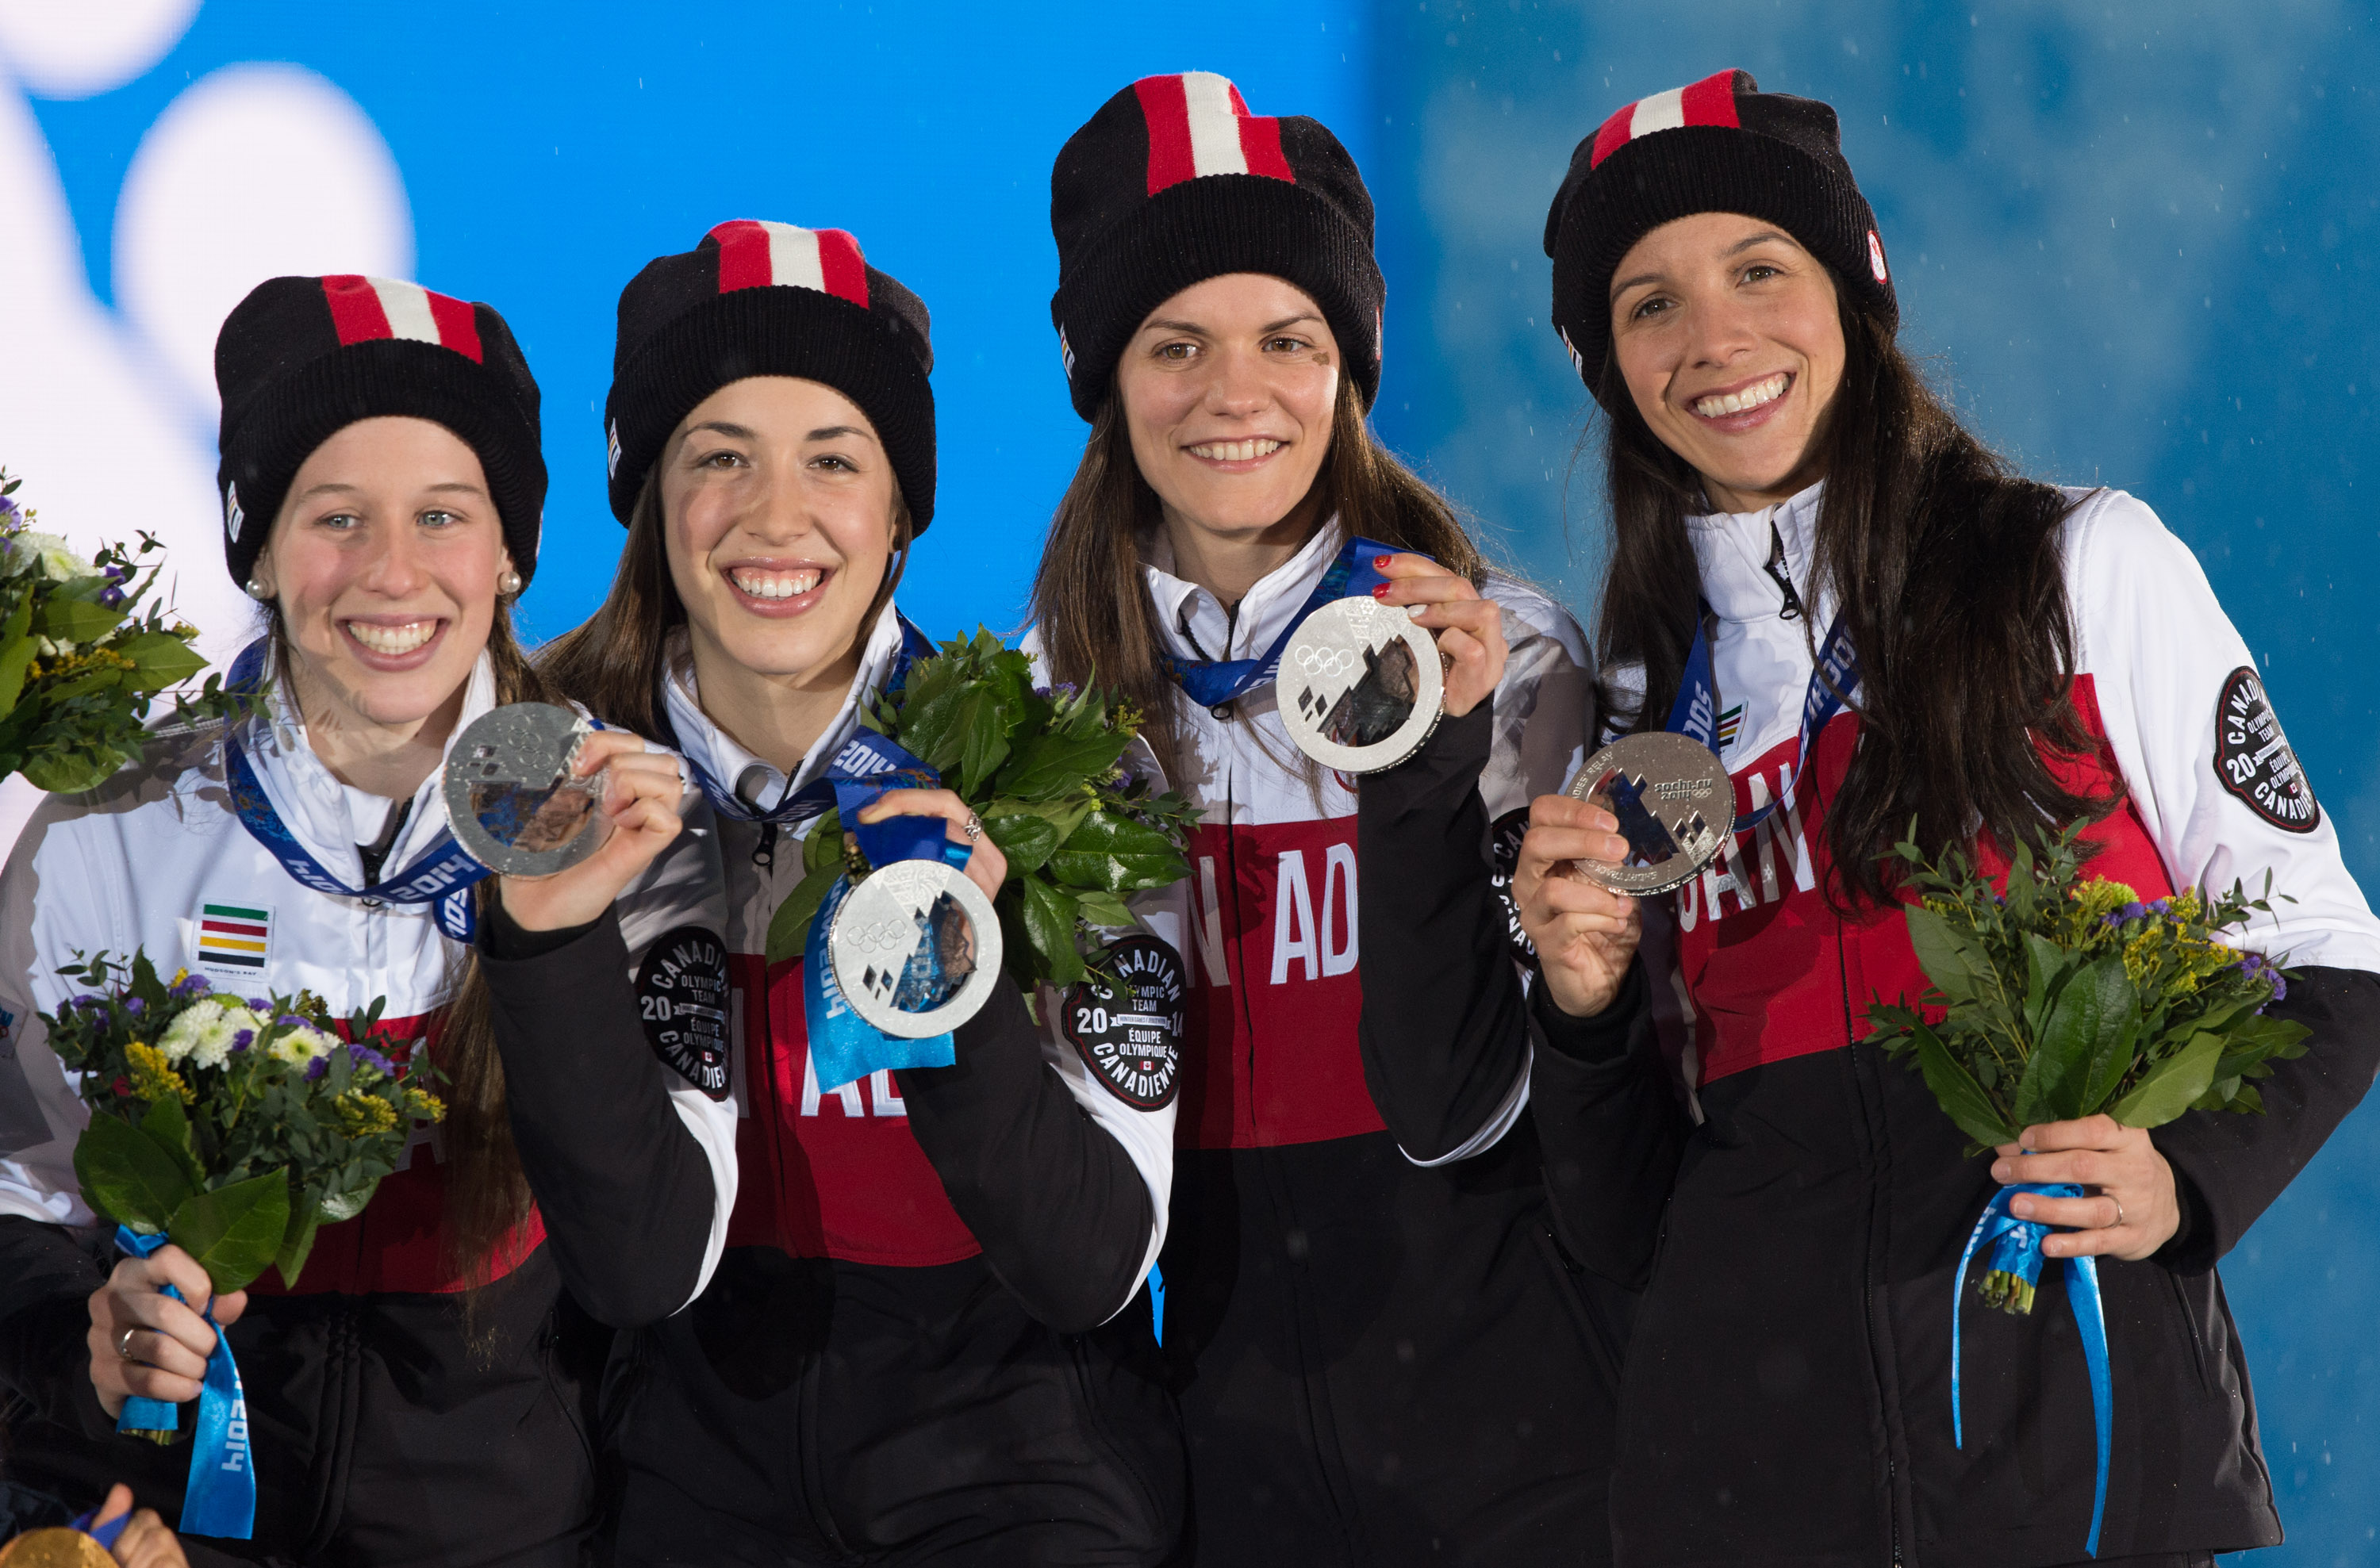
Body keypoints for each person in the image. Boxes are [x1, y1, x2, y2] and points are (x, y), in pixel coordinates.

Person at [1498, 67, 2380, 1567]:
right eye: (1648, 304)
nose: (1714, 339)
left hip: (2075, 1447)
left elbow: (2329, 957)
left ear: (1856, 292)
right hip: (1753, 1486)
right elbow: (1626, 1213)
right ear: (1610, 366)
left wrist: (2188, 1179)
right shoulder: (1635, 700)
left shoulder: (2079, 568)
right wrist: (1580, 1014)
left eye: (1760, 270)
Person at [475, 219, 1184, 1566]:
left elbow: (1095, 1263)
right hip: (684, 1458)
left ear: (902, 508)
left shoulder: (1063, 770)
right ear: (649, 497)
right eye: (719, 456)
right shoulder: (555, 781)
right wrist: (550, 932)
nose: (775, 515)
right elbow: (626, 1269)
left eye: (834, 459)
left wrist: (954, 976)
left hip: (1014, 1465)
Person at [1031, 72, 1619, 1565]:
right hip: (1228, 1474)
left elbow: (1464, 1102)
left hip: (1528, 1456)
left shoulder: (1506, 655)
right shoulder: (1045, 717)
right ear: (1104, 380)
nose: (1238, 395)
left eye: (1289, 340)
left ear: (1348, 370)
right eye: (1176, 346)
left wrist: (1427, 764)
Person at [0, 275, 616, 1563]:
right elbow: (12, 1202)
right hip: (161, 1524)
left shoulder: (616, 823)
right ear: (260, 546)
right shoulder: (111, 833)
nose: (393, 573)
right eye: (336, 517)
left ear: (512, 550)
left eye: (443, 514)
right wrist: (86, 1351)